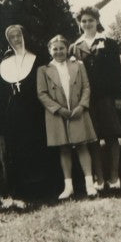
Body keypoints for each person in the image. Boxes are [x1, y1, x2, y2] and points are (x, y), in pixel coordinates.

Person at [72, 6, 121, 191]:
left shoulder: (109, 43)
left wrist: (119, 97)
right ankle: (100, 178)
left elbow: (117, 73)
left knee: (112, 137)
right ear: (79, 24)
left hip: (107, 97)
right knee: (93, 139)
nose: (87, 24)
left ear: (97, 21)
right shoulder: (75, 47)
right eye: (84, 21)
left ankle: (114, 177)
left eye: (90, 20)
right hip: (88, 100)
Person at [0, 23, 50, 207]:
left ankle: (43, 188)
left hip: (35, 110)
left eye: (18, 36)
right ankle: (22, 190)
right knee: (17, 150)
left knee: (38, 146)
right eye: (12, 38)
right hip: (14, 112)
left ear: (25, 36)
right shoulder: (5, 62)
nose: (16, 40)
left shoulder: (38, 58)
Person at [38, 33, 97, 201]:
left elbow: (86, 87)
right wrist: (57, 109)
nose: (58, 52)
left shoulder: (78, 65)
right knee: (64, 149)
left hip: (77, 111)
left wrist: (82, 106)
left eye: (61, 48)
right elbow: (42, 94)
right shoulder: (43, 70)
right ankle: (68, 186)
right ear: (49, 51)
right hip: (58, 114)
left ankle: (89, 184)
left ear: (67, 48)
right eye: (54, 49)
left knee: (82, 146)